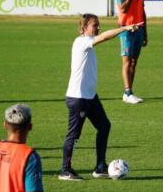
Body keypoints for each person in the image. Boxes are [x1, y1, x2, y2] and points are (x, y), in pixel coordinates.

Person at [58, 14, 141, 181]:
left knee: (104, 126)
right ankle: (65, 170)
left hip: (90, 97)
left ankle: (100, 166)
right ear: (83, 28)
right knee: (74, 135)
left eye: (98, 25)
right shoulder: (81, 42)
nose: (98, 28)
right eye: (94, 25)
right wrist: (124, 28)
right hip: (78, 98)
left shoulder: (87, 44)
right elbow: (103, 37)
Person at [116, 0, 147, 104]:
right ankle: (128, 92)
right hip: (126, 29)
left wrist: (145, 32)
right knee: (127, 61)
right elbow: (123, 9)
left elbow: (142, 11)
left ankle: (128, 93)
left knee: (134, 62)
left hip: (139, 28)